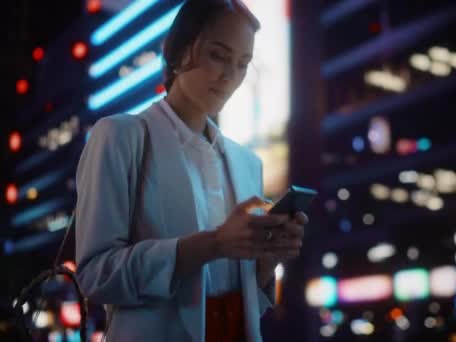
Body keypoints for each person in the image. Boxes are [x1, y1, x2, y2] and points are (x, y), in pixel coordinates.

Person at [74, 1, 308, 341]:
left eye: (243, 64)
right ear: (179, 51)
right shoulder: (120, 136)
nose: (231, 76)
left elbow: (248, 301)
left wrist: (267, 258)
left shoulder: (247, 163)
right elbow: (96, 276)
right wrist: (214, 243)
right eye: (218, 55)